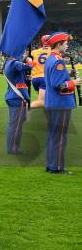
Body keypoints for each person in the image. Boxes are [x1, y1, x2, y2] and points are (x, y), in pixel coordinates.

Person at [44, 32, 80, 175]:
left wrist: (68, 75)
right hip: (60, 103)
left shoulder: (51, 58)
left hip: (53, 103)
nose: (67, 45)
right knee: (60, 136)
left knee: (53, 135)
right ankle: (57, 167)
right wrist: (73, 82)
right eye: (65, 43)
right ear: (59, 44)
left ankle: (51, 164)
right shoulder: (58, 61)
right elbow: (58, 85)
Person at [3, 56, 34, 154]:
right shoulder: (14, 63)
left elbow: (18, 74)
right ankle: (13, 149)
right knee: (16, 125)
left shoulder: (9, 63)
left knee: (15, 123)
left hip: (13, 96)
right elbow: (28, 66)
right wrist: (31, 61)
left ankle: (12, 147)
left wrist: (26, 78)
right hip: (18, 97)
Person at [30, 34, 51, 108]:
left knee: (46, 100)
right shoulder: (52, 51)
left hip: (35, 78)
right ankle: (25, 109)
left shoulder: (35, 52)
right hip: (44, 78)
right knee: (42, 101)